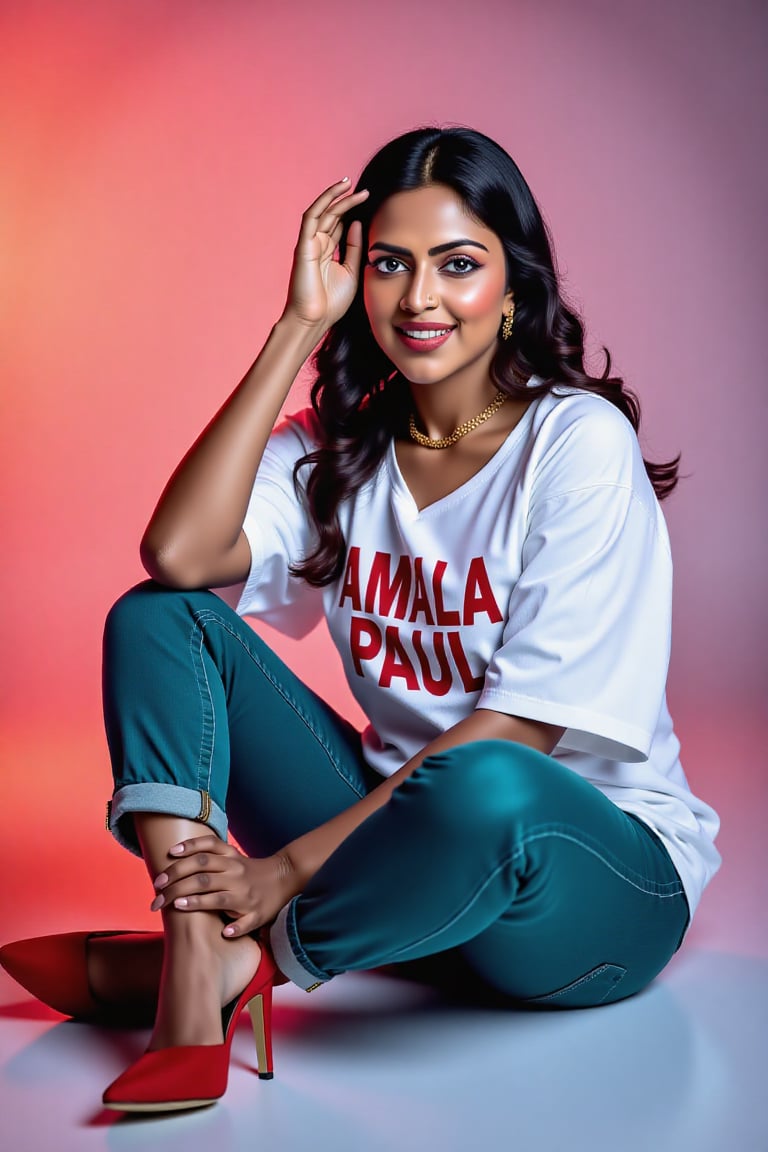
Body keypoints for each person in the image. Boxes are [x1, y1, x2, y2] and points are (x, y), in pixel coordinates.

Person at [1, 126, 720, 1113]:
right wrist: (297, 327)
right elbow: (178, 556)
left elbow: (522, 730)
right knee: (156, 618)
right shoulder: (343, 448)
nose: (420, 299)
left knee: (492, 779)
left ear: (513, 289)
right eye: (389, 264)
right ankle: (194, 961)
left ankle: (256, 960)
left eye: (458, 266)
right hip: (391, 849)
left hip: (587, 887)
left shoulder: (574, 444)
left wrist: (285, 872)